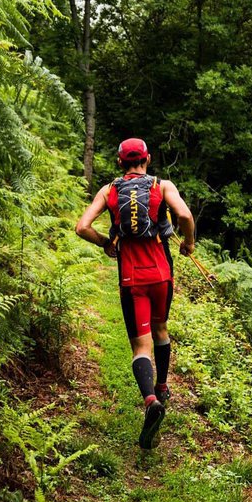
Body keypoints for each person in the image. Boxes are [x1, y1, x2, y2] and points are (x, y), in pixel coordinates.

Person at [75, 138, 196, 449]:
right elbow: (184, 217)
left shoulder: (109, 190)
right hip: (161, 275)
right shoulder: (163, 185)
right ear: (147, 159)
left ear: (119, 163)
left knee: (140, 347)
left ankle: (151, 401)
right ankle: (163, 385)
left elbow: (82, 227)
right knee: (161, 329)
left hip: (131, 279)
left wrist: (105, 242)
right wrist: (188, 243)